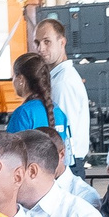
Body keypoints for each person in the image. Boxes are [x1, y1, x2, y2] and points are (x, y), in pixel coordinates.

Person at [31, 18, 92, 164]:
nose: (40, 48)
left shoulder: (62, 83)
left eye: (47, 41)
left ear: (62, 42)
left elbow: (61, 133)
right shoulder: (59, 79)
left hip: (65, 163)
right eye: (37, 43)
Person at [7, 51, 67, 136]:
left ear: (21, 79)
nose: (12, 81)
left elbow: (11, 148)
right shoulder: (59, 112)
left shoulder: (23, 114)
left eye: (13, 76)